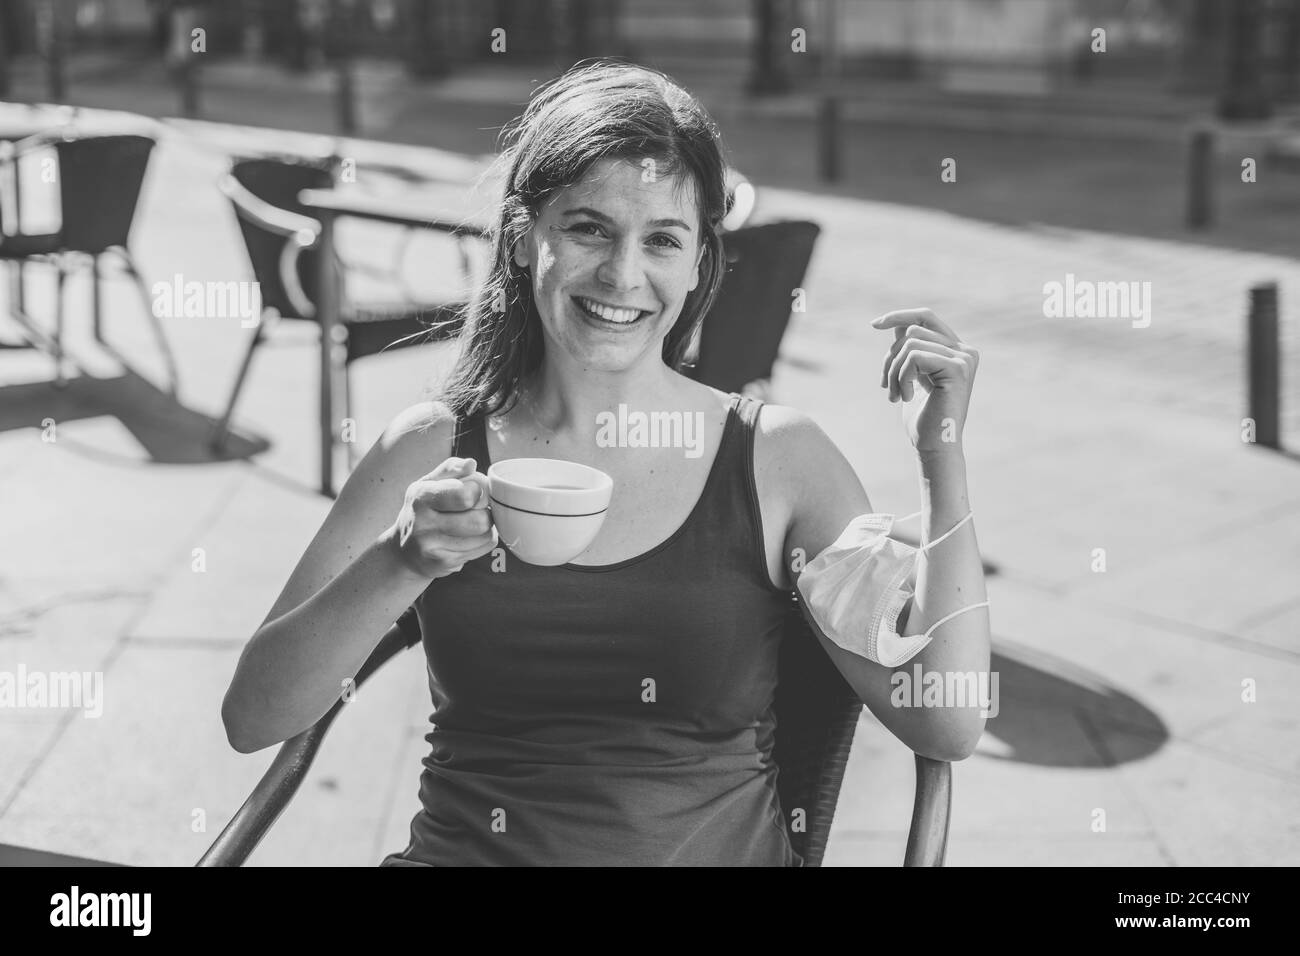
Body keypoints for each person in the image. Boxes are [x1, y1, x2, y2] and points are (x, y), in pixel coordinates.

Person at [220, 60, 990, 867]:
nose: (624, 275)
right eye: (588, 227)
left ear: (699, 264)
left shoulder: (777, 459)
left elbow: (948, 720)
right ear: (523, 237)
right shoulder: (430, 447)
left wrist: (943, 464)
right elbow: (254, 716)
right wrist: (398, 563)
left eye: (662, 239)